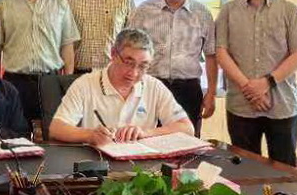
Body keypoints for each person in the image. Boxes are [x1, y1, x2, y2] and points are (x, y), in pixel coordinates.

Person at [216, 0, 297, 167]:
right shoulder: (228, 11)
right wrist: (249, 88)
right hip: (241, 105)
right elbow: (221, 53)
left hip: (282, 105)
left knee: (284, 170)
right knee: (244, 169)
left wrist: (265, 83)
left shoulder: (290, 10)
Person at [49, 28, 193, 145]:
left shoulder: (154, 86)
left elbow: (187, 128)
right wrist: (90, 135)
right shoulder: (85, 84)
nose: (134, 73)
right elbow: (56, 129)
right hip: (98, 162)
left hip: (142, 165)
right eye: (128, 62)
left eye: (143, 66)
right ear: (113, 54)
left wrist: (145, 133)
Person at [128, 0, 216, 136]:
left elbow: (211, 55)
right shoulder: (144, 11)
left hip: (188, 90)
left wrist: (211, 93)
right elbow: (130, 51)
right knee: (146, 139)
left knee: (187, 142)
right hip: (150, 86)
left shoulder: (202, 13)